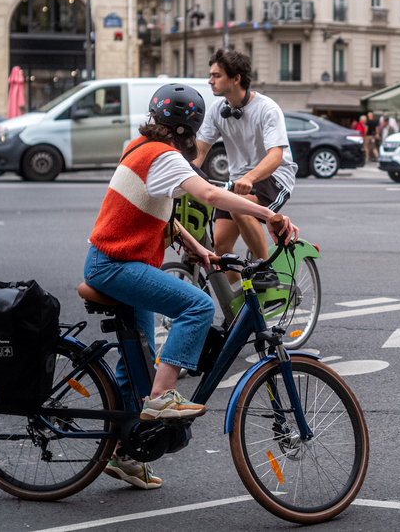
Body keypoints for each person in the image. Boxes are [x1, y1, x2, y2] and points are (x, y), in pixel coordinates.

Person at [84, 82, 299, 490]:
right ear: (189, 128)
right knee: (198, 306)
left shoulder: (141, 148)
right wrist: (268, 215)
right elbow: (210, 194)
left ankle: (125, 454)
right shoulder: (164, 157)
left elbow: (161, 212)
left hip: (113, 261)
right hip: (115, 265)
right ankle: (161, 399)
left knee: (136, 364)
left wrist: (199, 249)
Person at [194, 49, 298, 274]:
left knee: (240, 209)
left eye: (216, 75)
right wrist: (184, 177)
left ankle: (266, 271)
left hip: (274, 176)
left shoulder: (266, 108)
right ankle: (239, 295)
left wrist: (249, 178)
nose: (210, 80)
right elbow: (200, 151)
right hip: (238, 181)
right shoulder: (217, 110)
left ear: (236, 78)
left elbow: (276, 156)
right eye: (211, 75)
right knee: (220, 244)